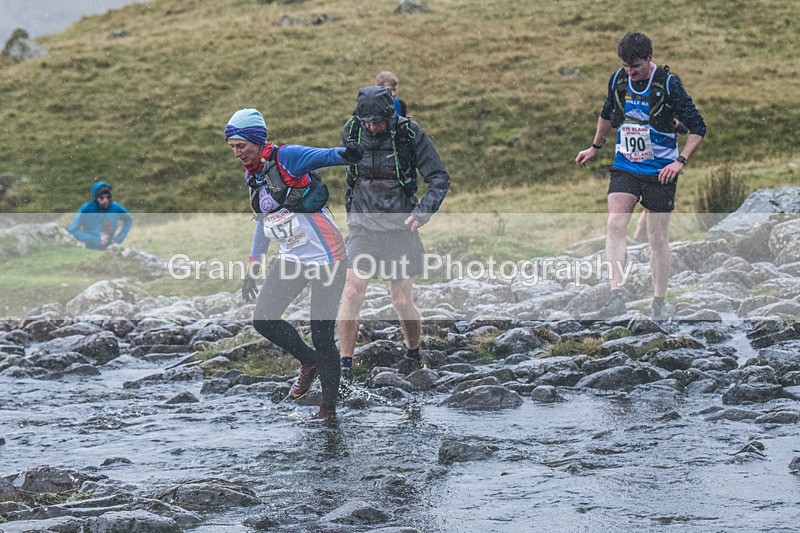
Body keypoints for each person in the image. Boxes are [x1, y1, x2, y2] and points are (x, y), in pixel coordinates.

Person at [225, 107, 363, 420]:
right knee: (264, 319)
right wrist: (254, 264)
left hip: (327, 259)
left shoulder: (287, 158)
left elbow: (326, 156)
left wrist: (349, 154)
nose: (236, 154)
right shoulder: (254, 174)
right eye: (232, 148)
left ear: (257, 141)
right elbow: (263, 221)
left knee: (322, 334)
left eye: (241, 146)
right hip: (291, 258)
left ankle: (327, 410)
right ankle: (309, 361)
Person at [575, 32, 706, 320]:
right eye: (625, 66)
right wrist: (595, 147)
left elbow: (698, 127)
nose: (630, 72)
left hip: (661, 170)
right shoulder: (618, 80)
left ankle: (659, 301)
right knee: (615, 224)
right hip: (626, 164)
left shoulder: (668, 84)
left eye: (635, 66)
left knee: (657, 237)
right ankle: (616, 296)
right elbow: (607, 113)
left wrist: (680, 162)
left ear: (649, 58)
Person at [337, 86, 450, 381]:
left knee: (401, 301)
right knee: (351, 291)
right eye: (367, 122)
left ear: (390, 115)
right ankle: (344, 366)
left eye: (378, 122)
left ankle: (413, 353)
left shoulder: (409, 134)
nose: (373, 127)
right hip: (363, 227)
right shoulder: (353, 129)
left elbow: (438, 177)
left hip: (401, 228)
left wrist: (423, 211)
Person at [68, 181, 133, 250]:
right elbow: (73, 230)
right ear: (95, 197)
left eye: (108, 197)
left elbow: (129, 219)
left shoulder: (115, 207)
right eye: (101, 197)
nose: (105, 200)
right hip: (91, 249)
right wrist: (96, 239)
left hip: (111, 249)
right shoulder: (87, 209)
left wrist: (118, 239)